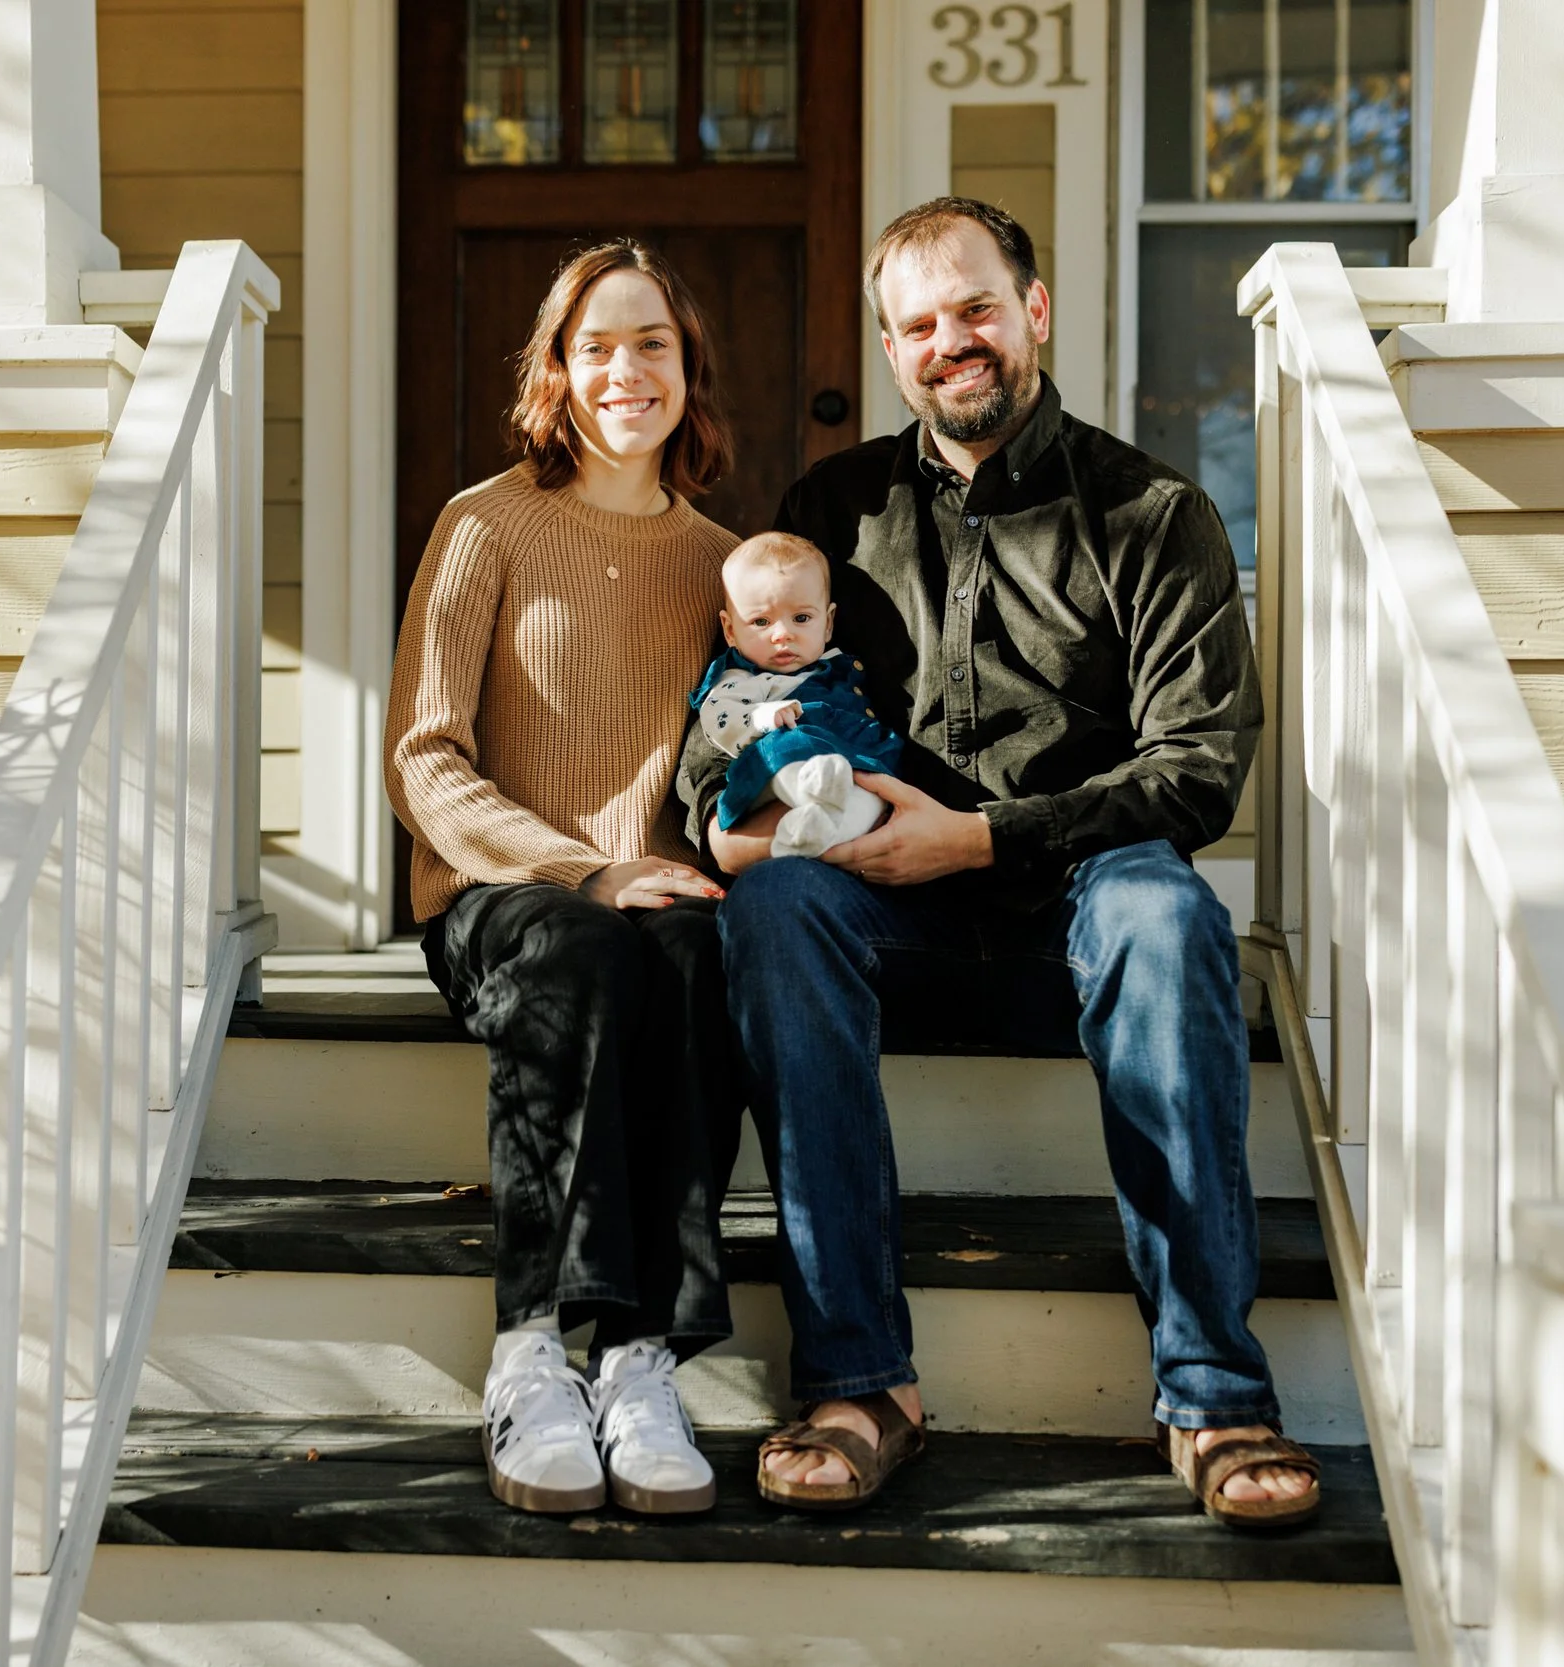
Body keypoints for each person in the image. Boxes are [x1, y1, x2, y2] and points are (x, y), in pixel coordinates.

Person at [681, 197, 1323, 1527]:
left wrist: (978, 834)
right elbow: (741, 698)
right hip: (875, 915)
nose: (948, 341)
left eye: (973, 307)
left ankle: (1211, 1389)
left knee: (1169, 908)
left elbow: (1197, 767)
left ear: (1033, 310)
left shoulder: (1151, 512)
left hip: (1076, 907)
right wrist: (717, 820)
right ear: (891, 350)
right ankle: (862, 1381)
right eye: (916, 325)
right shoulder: (833, 511)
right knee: (779, 903)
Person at [386, 239, 746, 1518]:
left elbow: (739, 752)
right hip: (499, 897)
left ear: (687, 369)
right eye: (595, 343)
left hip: (649, 900)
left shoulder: (723, 565)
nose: (623, 368)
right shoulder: (484, 525)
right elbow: (423, 757)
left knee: (704, 951)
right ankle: (531, 1343)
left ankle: (641, 1355)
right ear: (556, 367)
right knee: (589, 952)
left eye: (651, 341)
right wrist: (581, 870)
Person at [690, 532, 902, 860]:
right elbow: (718, 714)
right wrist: (762, 716)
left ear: (828, 623)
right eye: (760, 621)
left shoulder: (834, 669)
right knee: (783, 747)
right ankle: (808, 790)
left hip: (850, 763)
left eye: (801, 618)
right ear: (730, 630)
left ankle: (816, 832)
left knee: (875, 796)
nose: (783, 633)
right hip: (775, 776)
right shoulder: (744, 679)